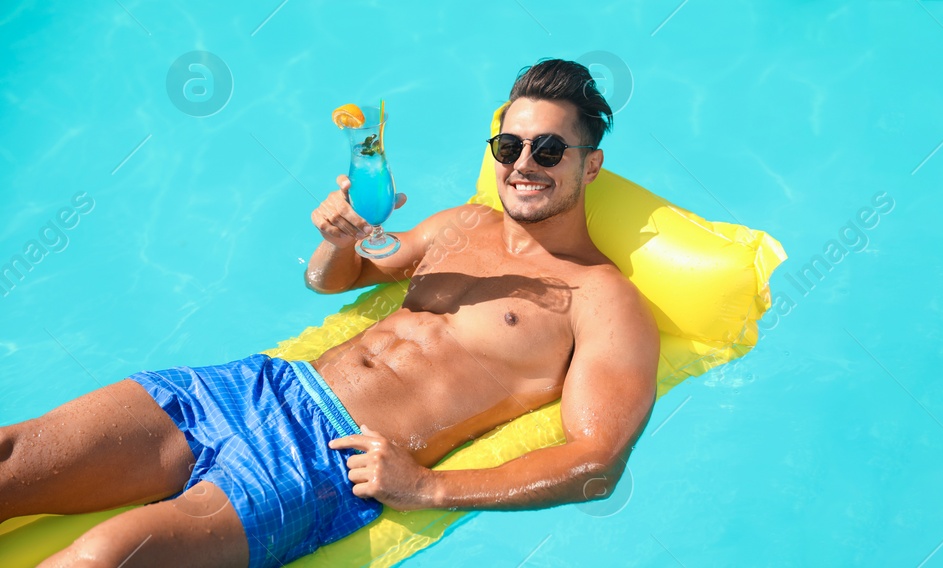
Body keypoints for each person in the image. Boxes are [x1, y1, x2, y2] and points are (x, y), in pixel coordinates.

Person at [0, 59, 659, 567]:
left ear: (590, 165)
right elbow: (332, 282)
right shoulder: (464, 223)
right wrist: (336, 240)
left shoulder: (602, 299)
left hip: (323, 461)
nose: (523, 165)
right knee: (12, 455)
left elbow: (596, 462)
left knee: (102, 558)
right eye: (508, 147)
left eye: (548, 151)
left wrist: (429, 487)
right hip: (260, 385)